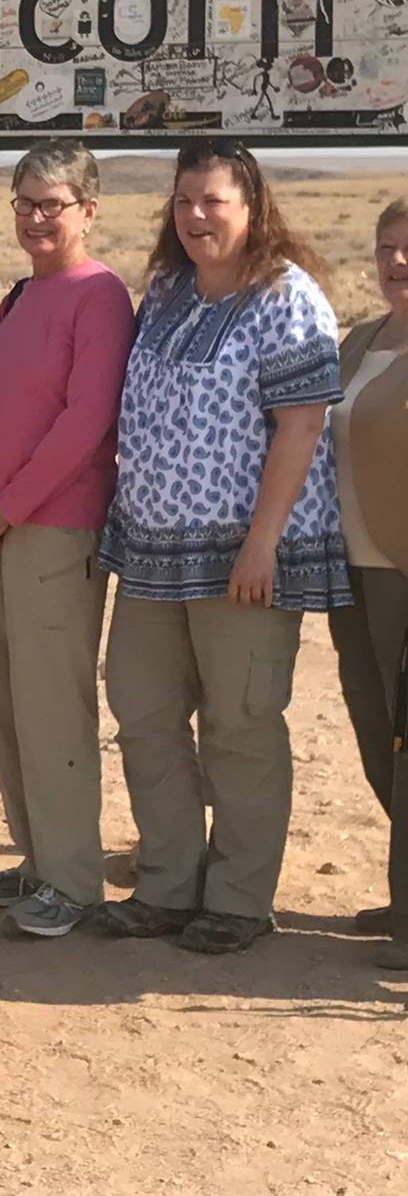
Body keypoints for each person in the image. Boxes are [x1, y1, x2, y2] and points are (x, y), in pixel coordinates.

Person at [99, 138, 349, 954]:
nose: (197, 216)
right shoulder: (168, 292)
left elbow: (302, 425)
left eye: (215, 201)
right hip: (150, 555)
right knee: (144, 712)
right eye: (184, 201)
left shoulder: (287, 296)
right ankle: (169, 884)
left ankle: (240, 898)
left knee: (241, 726)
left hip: (245, 557)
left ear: (252, 206)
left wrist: (262, 545)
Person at [0, 141, 135, 937]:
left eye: (50, 204)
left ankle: (71, 878)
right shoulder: (23, 295)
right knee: (10, 700)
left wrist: (8, 508)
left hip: (55, 529)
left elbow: (86, 423)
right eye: (23, 202)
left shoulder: (100, 297)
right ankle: (37, 860)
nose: (34, 218)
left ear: (88, 210)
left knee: (54, 706)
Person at [325, 196, 408, 967]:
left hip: (403, 569)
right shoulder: (357, 342)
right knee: (376, 732)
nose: (398, 262)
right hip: (350, 569)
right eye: (387, 247)